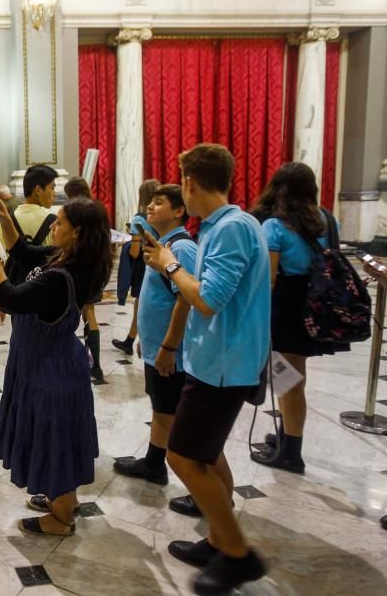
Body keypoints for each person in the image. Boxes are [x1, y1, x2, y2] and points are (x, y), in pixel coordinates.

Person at [144, 143, 269, 595]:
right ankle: (219, 539)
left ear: (191, 183)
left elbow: (209, 299)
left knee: (181, 455)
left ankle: (238, 555)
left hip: (223, 364)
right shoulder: (237, 224)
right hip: (220, 359)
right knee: (209, 453)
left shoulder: (231, 229)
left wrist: (169, 263)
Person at [0, 196, 111, 536]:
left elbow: (8, 298)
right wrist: (6, 222)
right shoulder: (67, 258)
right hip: (46, 362)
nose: (53, 226)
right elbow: (25, 253)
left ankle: (60, 517)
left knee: (55, 438)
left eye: (59, 222)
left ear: (78, 232)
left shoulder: (62, 276)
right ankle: (61, 498)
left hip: (49, 369)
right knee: (54, 435)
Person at [249, 162, 346, 474]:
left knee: (289, 382)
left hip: (286, 308)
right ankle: (286, 436)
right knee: (293, 378)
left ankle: (292, 452)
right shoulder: (328, 219)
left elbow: (270, 278)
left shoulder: (275, 227)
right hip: (317, 305)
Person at [114, 184, 198, 486]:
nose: (150, 207)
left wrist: (168, 346)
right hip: (157, 345)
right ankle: (153, 462)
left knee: (168, 410)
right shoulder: (163, 244)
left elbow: (185, 299)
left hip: (170, 349)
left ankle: (186, 477)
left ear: (179, 211)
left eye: (159, 203)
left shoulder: (181, 248)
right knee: (160, 406)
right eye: (150, 202)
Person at [0, 165, 57, 325]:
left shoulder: (5, 221)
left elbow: (1, 262)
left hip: (16, 293)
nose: (54, 193)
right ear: (38, 189)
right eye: (52, 188)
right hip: (45, 295)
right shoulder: (55, 222)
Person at [62, 177, 107, 383]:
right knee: (90, 313)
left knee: (83, 312)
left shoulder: (78, 213)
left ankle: (91, 363)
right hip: (100, 266)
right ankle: (94, 363)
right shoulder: (99, 209)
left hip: (82, 267)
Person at [113, 179, 162, 356]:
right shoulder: (160, 217)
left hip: (143, 264)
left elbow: (134, 252)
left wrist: (128, 243)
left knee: (141, 304)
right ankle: (130, 339)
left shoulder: (138, 220)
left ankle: (136, 341)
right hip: (160, 258)